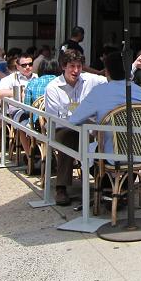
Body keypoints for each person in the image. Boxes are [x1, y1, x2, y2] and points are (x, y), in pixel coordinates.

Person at [45, 48, 108, 205]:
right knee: (70, 136)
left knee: (103, 135)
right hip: (61, 128)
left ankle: (105, 181)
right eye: (72, 66)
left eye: (79, 66)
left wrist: (133, 66)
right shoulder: (53, 87)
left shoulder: (89, 80)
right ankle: (61, 187)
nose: (76, 70)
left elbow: (111, 79)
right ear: (63, 66)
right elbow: (54, 119)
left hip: (86, 128)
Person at [69, 50, 141, 155]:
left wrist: (97, 124)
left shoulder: (99, 92)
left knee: (84, 148)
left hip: (112, 156)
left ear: (107, 72)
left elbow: (74, 120)